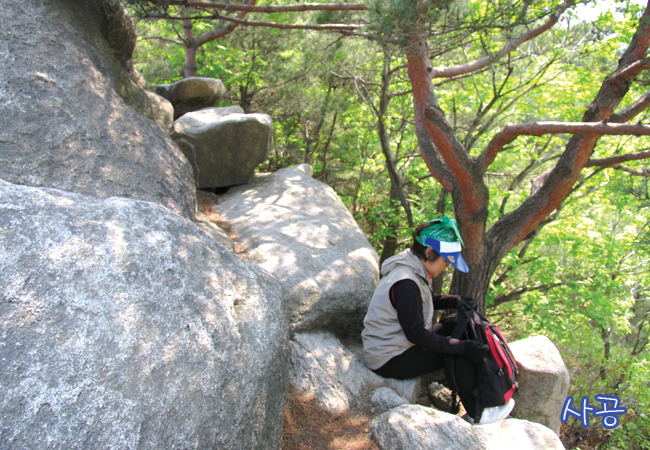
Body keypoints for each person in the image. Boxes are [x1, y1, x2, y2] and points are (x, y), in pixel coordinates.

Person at [361, 216, 514, 424]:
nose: (448, 266)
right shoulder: (406, 283)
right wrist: (462, 348)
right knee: (455, 353)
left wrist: (457, 301)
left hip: (399, 342)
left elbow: (423, 300)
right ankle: (481, 410)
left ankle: (492, 388)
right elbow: (416, 334)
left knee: (458, 326)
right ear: (429, 253)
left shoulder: (413, 268)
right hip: (388, 356)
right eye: (446, 260)